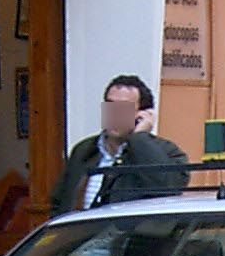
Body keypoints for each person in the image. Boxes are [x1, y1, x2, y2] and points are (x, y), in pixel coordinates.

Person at [52, 75, 190, 214]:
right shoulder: (84, 150)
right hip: (83, 234)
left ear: (142, 115)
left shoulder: (167, 152)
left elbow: (166, 189)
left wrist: (140, 138)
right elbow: (60, 201)